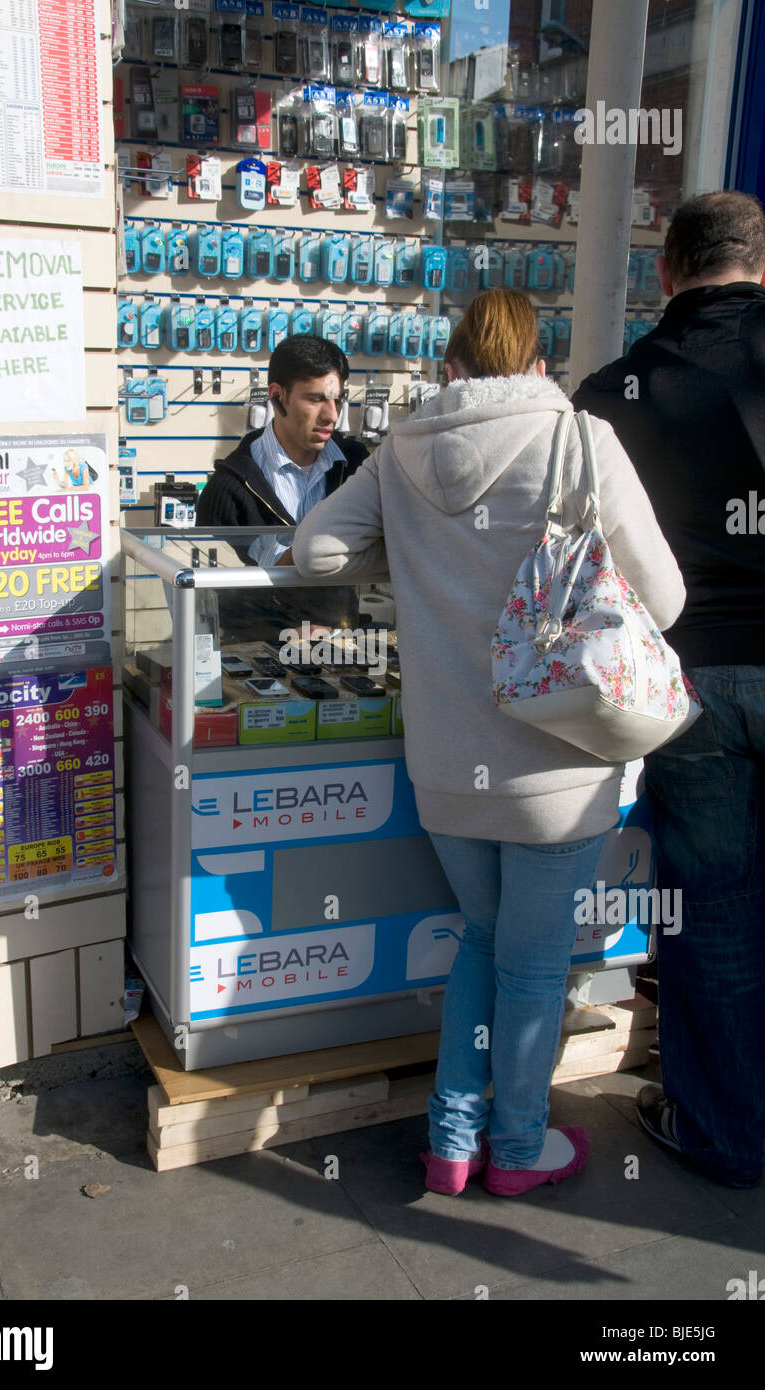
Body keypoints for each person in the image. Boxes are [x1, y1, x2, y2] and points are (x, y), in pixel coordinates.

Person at [292, 289, 685, 1196]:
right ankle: (514, 1151)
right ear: (537, 365)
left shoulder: (399, 453)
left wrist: (412, 561)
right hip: (559, 757)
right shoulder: (579, 441)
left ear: (453, 368)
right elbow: (660, 602)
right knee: (536, 961)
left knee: (481, 938)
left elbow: (315, 553)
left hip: (444, 763)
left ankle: (451, 1145)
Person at [572, 191, 765, 1188]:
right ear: (758, 263)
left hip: (687, 681)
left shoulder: (616, 391)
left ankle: (725, 1133)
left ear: (664, 270)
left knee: (712, 910)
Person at [195, 336, 369, 642]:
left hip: (342, 654)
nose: (332, 415)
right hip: (260, 663)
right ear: (277, 396)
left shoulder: (358, 467)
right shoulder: (227, 490)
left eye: (337, 399)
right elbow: (215, 602)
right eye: (316, 399)